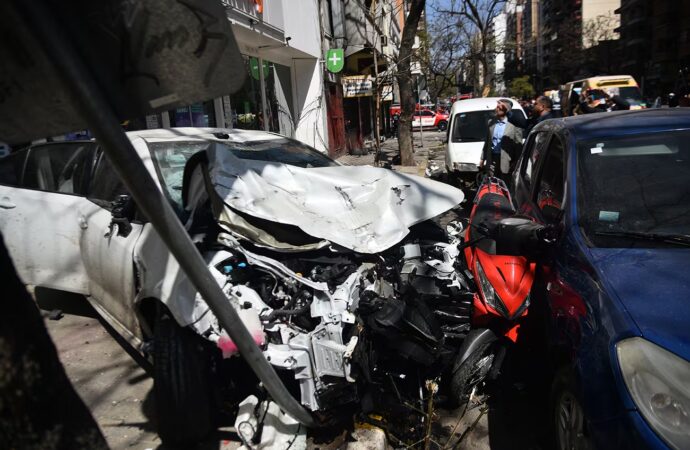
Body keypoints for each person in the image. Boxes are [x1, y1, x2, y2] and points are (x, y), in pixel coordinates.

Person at [480, 100, 524, 180]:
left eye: (499, 107)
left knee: (505, 184)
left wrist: (516, 162)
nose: (496, 109)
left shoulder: (514, 125)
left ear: (505, 110)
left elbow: (518, 145)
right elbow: (487, 141)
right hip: (492, 159)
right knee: (493, 182)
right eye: (496, 107)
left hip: (507, 161)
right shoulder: (491, 122)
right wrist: (483, 158)